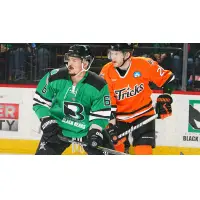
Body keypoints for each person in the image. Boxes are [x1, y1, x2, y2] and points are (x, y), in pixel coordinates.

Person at [33, 44, 113, 155]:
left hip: (87, 130)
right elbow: (40, 102)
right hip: (58, 128)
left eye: (74, 60)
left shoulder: (98, 85)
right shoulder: (54, 77)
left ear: (85, 63)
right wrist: (46, 120)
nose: (69, 64)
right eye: (69, 59)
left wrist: (95, 130)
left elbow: (101, 114)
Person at [100, 43, 175, 155]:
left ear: (127, 54)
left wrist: (166, 98)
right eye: (110, 53)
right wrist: (111, 126)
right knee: (114, 151)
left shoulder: (145, 64)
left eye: (116, 54)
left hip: (143, 114)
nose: (112, 57)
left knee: (143, 152)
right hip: (119, 118)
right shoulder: (106, 71)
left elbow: (169, 79)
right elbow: (108, 101)